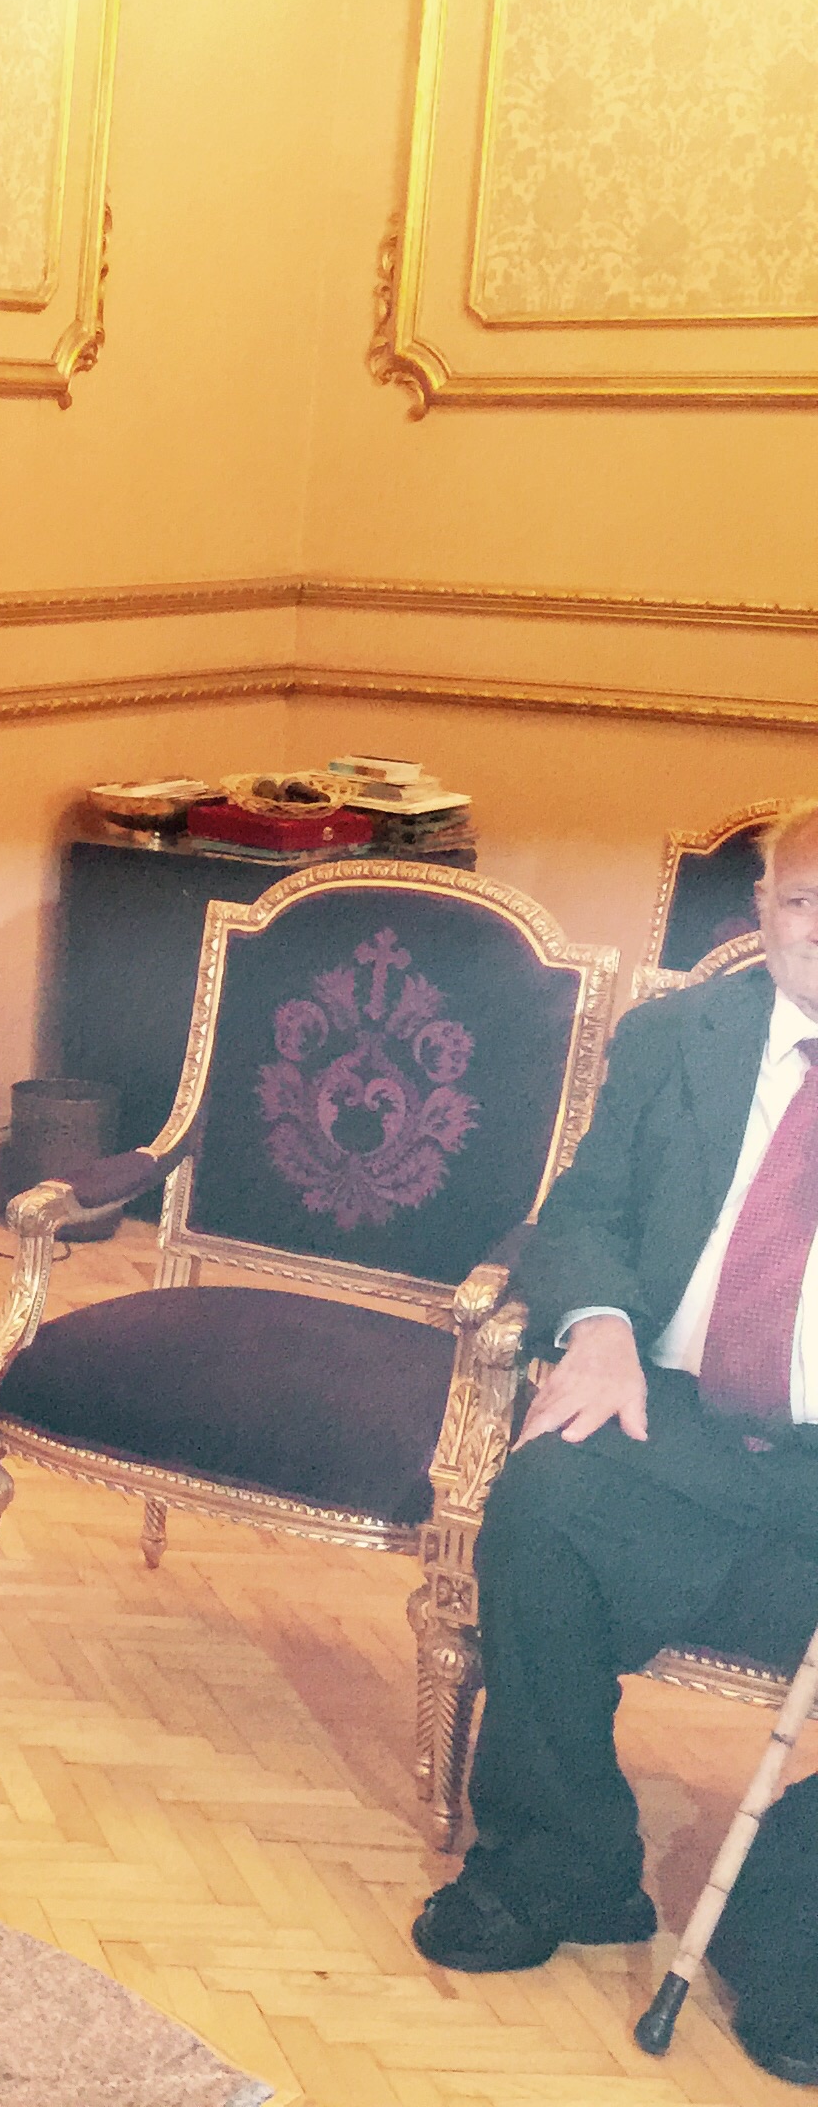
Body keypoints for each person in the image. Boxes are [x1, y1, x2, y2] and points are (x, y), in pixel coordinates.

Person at [414, 797, 818, 2088]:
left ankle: (791, 1925)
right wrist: (595, 1323)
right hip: (676, 1404)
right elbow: (587, 1208)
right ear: (762, 912)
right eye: (808, 903)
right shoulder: (674, 1036)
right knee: (545, 1504)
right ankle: (563, 1863)